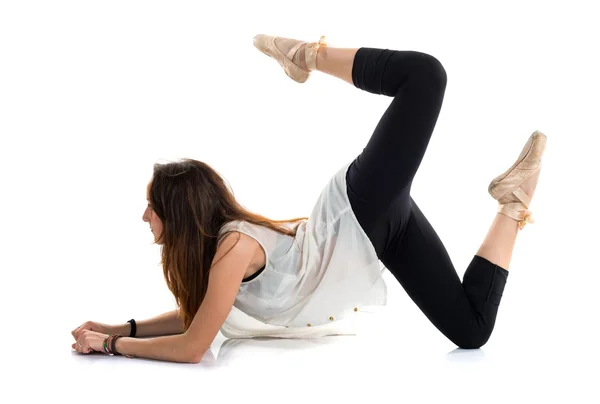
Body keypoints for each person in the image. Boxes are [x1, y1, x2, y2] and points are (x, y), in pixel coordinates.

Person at [71, 34, 547, 363]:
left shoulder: (233, 247)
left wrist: (110, 347)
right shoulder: (222, 259)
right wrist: (118, 329)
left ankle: (306, 55)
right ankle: (511, 205)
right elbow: (199, 314)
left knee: (425, 76)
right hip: (376, 237)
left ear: (177, 210)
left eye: (152, 205)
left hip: (355, 214)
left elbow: (194, 345)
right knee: (471, 331)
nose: (144, 215)